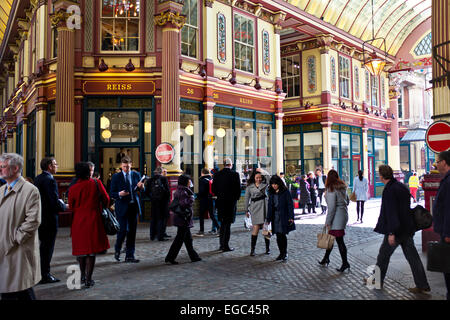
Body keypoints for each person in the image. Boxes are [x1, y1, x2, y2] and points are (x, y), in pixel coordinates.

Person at [369, 164, 430, 293]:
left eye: (379, 174)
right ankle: (422, 284)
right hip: (406, 228)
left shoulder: (390, 190)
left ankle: (377, 279)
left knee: (384, 254)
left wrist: (391, 232)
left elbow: (392, 212)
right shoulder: (400, 186)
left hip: (396, 230)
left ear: (381, 176)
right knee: (413, 257)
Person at [0, 153, 41, 300]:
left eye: (3, 167)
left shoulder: (30, 190)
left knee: (18, 287)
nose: (0, 170)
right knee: (13, 287)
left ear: (15, 168)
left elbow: (33, 220)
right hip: (4, 248)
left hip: (17, 249)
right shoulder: (1, 189)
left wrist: (15, 239)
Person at [68, 162, 110, 288]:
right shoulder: (96, 183)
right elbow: (106, 199)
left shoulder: (73, 188)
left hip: (78, 222)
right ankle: (89, 279)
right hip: (93, 219)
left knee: (81, 251)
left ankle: (81, 276)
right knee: (91, 252)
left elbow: (71, 206)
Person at [34, 157, 66, 285]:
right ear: (49, 166)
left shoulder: (38, 178)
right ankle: (45, 274)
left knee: (42, 248)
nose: (57, 166)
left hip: (41, 218)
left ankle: (40, 272)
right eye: (55, 164)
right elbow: (53, 202)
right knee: (47, 248)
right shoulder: (50, 180)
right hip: (49, 219)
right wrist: (63, 206)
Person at [110, 156, 145, 263]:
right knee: (123, 230)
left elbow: (142, 190)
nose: (126, 169)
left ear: (131, 165)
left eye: (128, 167)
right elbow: (111, 193)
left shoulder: (136, 174)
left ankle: (130, 255)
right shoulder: (116, 177)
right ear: (121, 166)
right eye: (124, 167)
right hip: (122, 207)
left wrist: (142, 187)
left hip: (133, 206)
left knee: (132, 232)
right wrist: (119, 194)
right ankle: (117, 249)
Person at [165, 174, 201, 264]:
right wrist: (192, 198)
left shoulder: (181, 189)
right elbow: (184, 204)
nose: (190, 182)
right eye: (189, 180)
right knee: (179, 240)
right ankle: (170, 258)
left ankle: (194, 256)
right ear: (185, 182)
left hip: (182, 218)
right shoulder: (184, 191)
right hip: (183, 219)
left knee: (188, 239)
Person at [318, 169, 350, 272]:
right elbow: (348, 201)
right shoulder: (342, 187)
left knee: (340, 241)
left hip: (337, 217)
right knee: (331, 239)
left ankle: (345, 263)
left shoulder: (331, 189)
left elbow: (331, 208)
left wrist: (328, 222)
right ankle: (326, 258)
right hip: (343, 214)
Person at [212, 158, 241, 252]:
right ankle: (225, 245)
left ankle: (221, 244)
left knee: (222, 223)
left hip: (220, 202)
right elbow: (238, 190)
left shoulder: (217, 175)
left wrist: (219, 196)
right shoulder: (235, 174)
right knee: (227, 225)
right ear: (230, 164)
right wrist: (235, 199)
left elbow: (213, 189)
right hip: (230, 203)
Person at [432, 150, 450, 300]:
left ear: (444, 162)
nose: (436, 164)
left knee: (448, 266)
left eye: (438, 161)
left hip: (448, 233)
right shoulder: (447, 179)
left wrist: (448, 234)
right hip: (445, 231)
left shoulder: (449, 180)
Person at [266, 175, 295, 262]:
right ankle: (281, 253)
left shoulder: (285, 191)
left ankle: (285, 253)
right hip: (275, 216)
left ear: (279, 183)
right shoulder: (271, 192)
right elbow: (270, 206)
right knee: (278, 235)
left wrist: (291, 217)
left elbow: (290, 204)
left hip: (283, 215)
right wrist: (268, 218)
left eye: (275, 184)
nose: (274, 186)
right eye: (272, 184)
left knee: (282, 234)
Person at [244, 168, 271, 256]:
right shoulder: (249, 187)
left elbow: (269, 177)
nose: (258, 179)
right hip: (254, 208)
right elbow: (246, 199)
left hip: (264, 207)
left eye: (260, 177)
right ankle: (252, 250)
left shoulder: (265, 184)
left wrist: (262, 171)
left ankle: (267, 248)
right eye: (257, 178)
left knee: (265, 228)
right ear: (254, 178)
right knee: (255, 228)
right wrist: (246, 210)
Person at [147, 167, 170, 241]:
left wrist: (152, 198)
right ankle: (160, 236)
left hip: (154, 202)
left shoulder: (150, 180)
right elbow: (167, 192)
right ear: (161, 172)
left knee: (153, 218)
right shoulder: (164, 179)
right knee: (161, 219)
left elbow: (146, 191)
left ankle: (152, 236)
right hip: (163, 202)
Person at [197, 168, 220, 236]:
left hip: (204, 200)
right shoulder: (211, 179)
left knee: (201, 215)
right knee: (212, 215)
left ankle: (201, 230)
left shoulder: (202, 180)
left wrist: (198, 195)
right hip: (211, 199)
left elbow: (202, 191)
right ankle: (219, 228)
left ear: (202, 173)